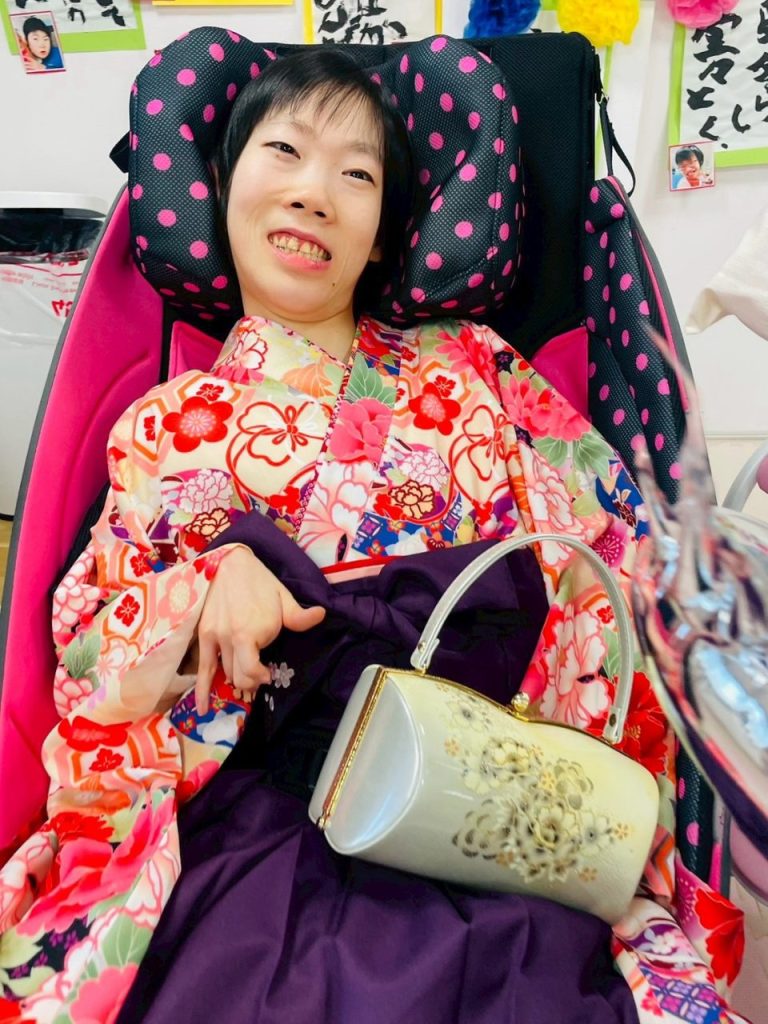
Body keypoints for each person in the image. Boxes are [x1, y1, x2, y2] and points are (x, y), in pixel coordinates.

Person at [0, 48, 748, 1024]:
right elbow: (85, 654)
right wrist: (199, 593)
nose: (313, 194)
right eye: (284, 152)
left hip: (476, 789)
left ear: (387, 234)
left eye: (356, 174)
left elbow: (604, 550)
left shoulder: (473, 367)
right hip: (264, 806)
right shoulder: (163, 424)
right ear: (221, 184)